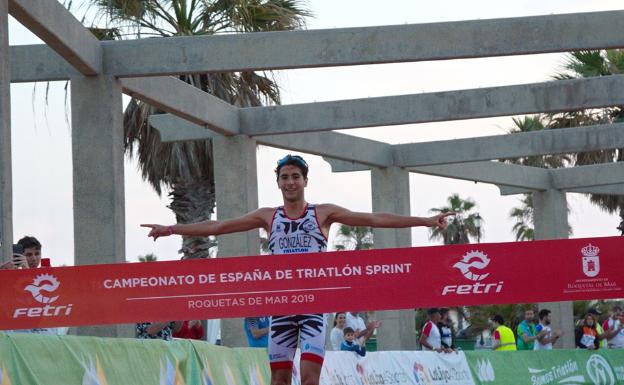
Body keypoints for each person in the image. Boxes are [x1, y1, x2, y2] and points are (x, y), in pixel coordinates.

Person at [142, 154, 453, 385]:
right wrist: (173, 229)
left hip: (315, 307)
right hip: (282, 307)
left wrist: (424, 221)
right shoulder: (268, 216)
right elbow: (221, 225)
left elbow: (373, 219)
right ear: (278, 182)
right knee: (278, 380)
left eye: (295, 176)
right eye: (284, 177)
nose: (290, 182)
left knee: (309, 378)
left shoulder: (323, 213)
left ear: (305, 181)